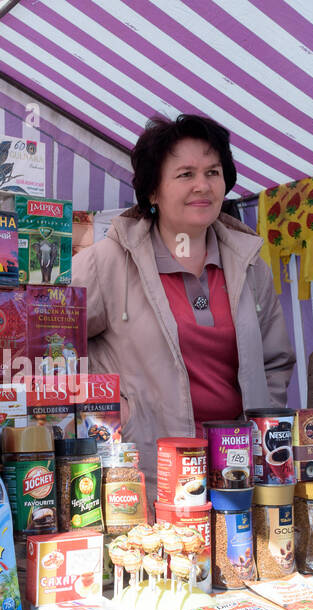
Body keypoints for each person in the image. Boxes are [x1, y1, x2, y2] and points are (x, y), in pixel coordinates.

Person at [72, 114, 296, 497]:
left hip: (238, 473)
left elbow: (276, 360)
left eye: (213, 172)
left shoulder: (249, 264)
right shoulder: (105, 263)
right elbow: (49, 347)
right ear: (153, 192)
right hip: (148, 477)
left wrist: (260, 424)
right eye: (185, 174)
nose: (202, 186)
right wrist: (112, 417)